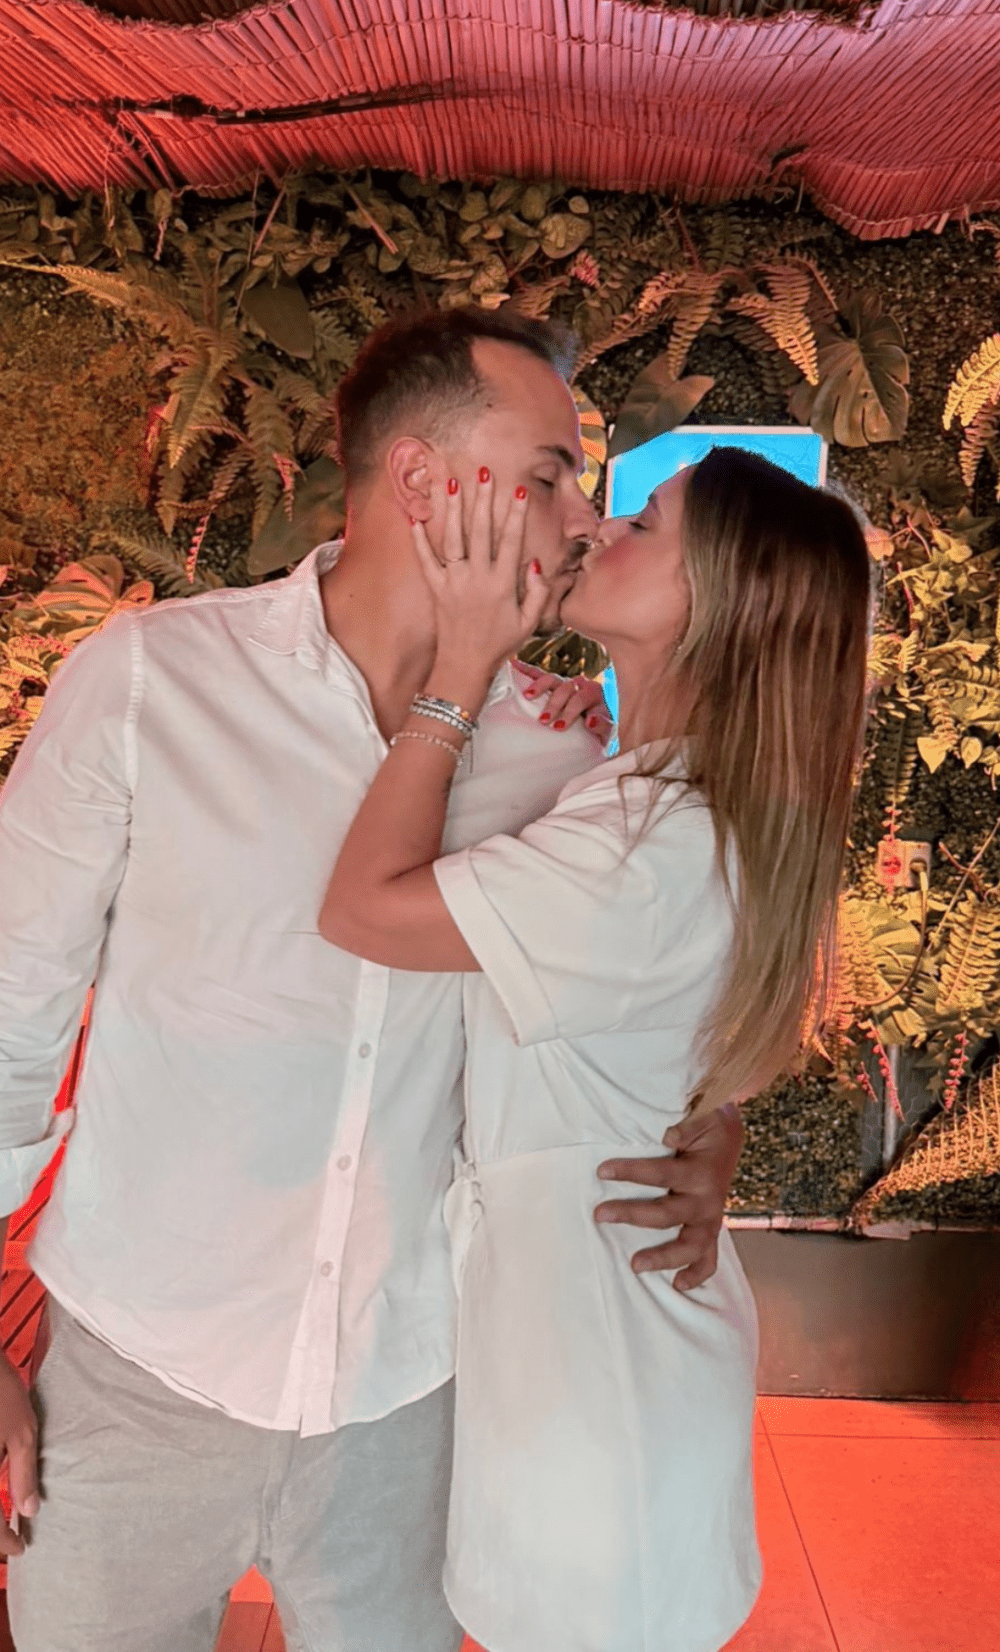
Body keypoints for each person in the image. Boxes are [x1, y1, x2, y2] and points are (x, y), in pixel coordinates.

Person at [0, 305, 743, 1652]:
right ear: (420, 480)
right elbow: (11, 1005)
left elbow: (672, 965)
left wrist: (715, 1120)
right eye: (551, 474)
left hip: (411, 1387)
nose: (583, 518)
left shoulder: (561, 760)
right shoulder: (152, 683)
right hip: (137, 1368)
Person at [318, 447, 873, 1652]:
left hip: (598, 1385)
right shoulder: (657, 805)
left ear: (717, 601)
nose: (602, 526)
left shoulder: (649, 844)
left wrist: (458, 679)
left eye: (648, 522)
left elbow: (361, 908)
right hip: (602, 1335)